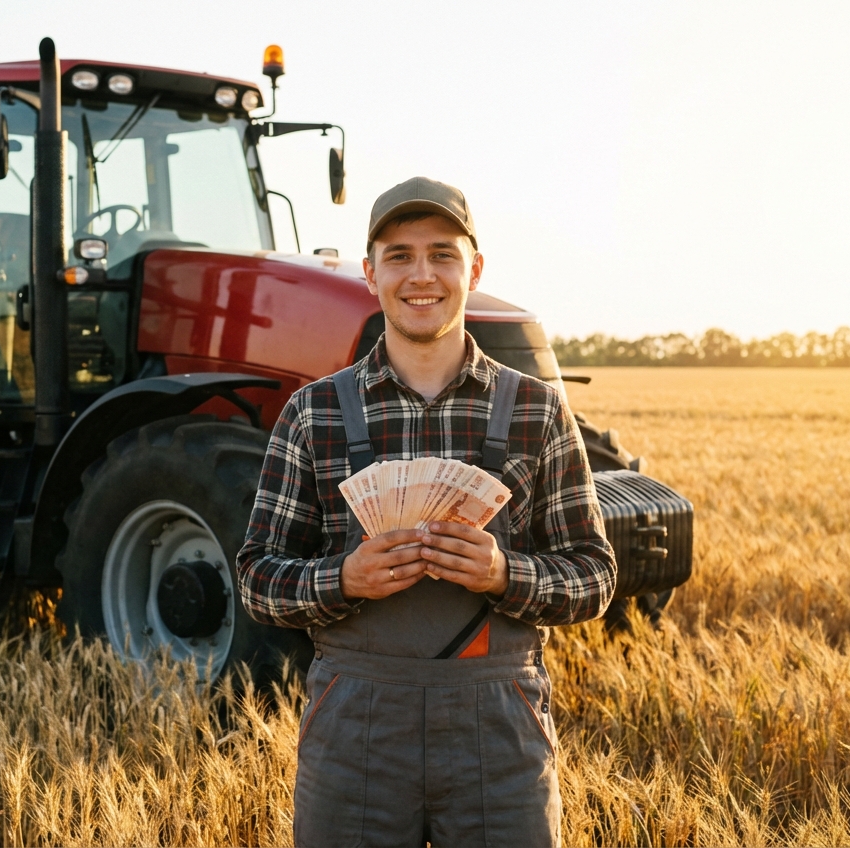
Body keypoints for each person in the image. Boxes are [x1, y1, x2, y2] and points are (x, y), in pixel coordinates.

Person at [236, 177, 617, 847]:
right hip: (356, 727)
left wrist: (505, 573)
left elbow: (595, 576)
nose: (422, 275)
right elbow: (256, 581)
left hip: (497, 730)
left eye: (442, 254)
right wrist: (343, 579)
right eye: (400, 255)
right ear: (369, 272)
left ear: (474, 267)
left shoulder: (537, 410)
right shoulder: (314, 412)